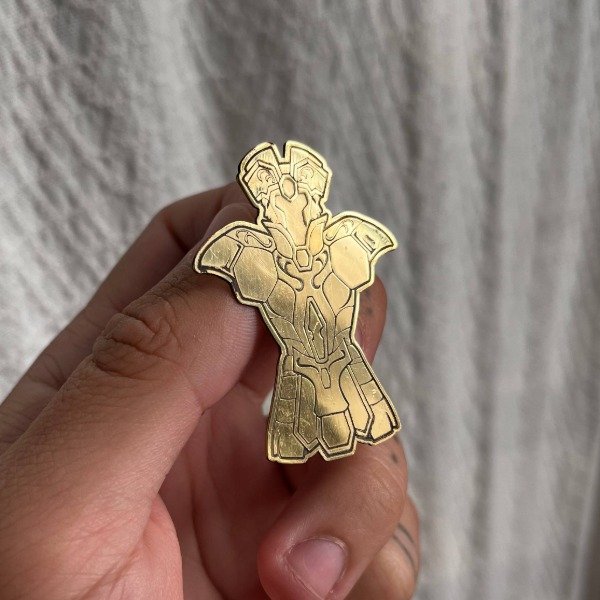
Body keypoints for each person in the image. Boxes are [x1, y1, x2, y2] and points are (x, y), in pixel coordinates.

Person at [0, 183, 419, 599]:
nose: (295, 207)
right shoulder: (245, 248)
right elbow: (216, 272)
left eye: (302, 198)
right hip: (293, 370)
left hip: (332, 366)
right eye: (281, 199)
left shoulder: (344, 238)